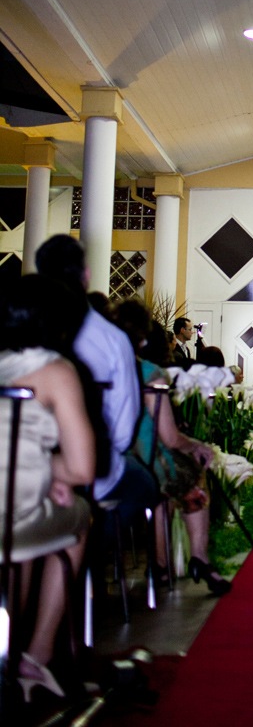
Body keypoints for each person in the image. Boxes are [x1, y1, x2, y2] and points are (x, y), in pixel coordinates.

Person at [0, 276, 95, 700]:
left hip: (18, 505)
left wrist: (47, 474)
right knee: (77, 518)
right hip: (13, 515)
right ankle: (35, 656)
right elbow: (83, 468)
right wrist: (56, 473)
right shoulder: (56, 371)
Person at [35, 235, 157, 533]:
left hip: (18, 471)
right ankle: (89, 556)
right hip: (91, 475)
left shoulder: (25, 332)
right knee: (146, 485)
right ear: (87, 275)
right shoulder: (111, 339)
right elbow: (124, 429)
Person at [113, 308, 231, 597]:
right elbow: (169, 437)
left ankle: (160, 564)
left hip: (108, 461)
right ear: (143, 340)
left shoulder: (103, 368)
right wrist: (197, 446)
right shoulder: (149, 373)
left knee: (164, 493)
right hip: (143, 459)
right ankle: (199, 558)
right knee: (190, 478)